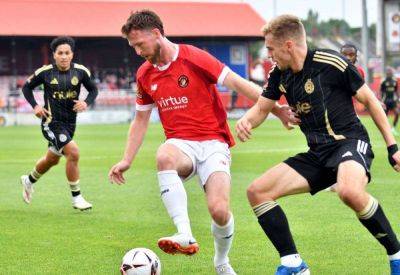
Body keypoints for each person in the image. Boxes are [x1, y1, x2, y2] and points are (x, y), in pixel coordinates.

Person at [108, 10, 299, 275]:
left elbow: (236, 82)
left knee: (219, 211)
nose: (137, 51)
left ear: (156, 34)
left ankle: (221, 262)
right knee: (165, 156)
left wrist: (276, 109)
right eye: (133, 46)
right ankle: (184, 233)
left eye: (140, 44)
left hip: (213, 143)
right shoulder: (144, 74)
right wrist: (126, 159)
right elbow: (140, 120)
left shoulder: (193, 57)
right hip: (180, 143)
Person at [236, 15, 400, 275]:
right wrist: (246, 120)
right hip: (318, 153)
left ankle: (397, 256)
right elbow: (261, 108)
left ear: (288, 45)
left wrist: (393, 147)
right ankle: (293, 264)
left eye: (270, 48)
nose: (268, 55)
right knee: (257, 192)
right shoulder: (279, 73)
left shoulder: (331, 62)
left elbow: (370, 100)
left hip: (349, 143)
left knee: (348, 191)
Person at [21, 36, 98, 210]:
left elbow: (93, 89)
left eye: (67, 53)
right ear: (54, 55)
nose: (63, 56)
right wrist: (35, 106)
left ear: (72, 55)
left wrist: (86, 102)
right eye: (60, 53)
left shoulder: (81, 71)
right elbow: (26, 88)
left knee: (51, 160)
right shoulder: (45, 72)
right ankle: (77, 198)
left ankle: (28, 180)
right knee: (74, 152)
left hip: (70, 123)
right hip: (51, 122)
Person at [381, 68, 399, 136]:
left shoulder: (394, 81)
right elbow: (381, 91)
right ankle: (386, 130)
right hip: (385, 101)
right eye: (388, 72)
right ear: (386, 73)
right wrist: (381, 100)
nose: (389, 74)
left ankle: (393, 128)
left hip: (393, 101)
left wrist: (397, 99)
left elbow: (396, 90)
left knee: (397, 113)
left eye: (390, 72)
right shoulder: (384, 81)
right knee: (385, 117)